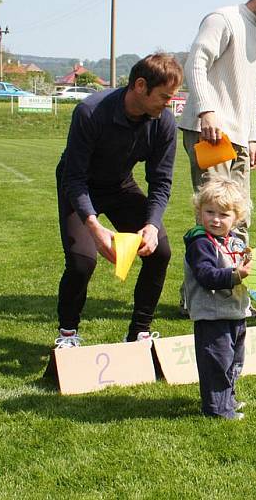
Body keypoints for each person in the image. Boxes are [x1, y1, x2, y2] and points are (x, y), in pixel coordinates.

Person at [179, 0, 256, 319]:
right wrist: (207, 111)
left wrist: (254, 135)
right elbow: (195, 64)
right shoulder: (223, 19)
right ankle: (195, 298)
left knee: (239, 219)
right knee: (211, 216)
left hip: (240, 137)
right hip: (211, 132)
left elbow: (250, 92)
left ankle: (238, 299)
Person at [54, 54, 183, 349]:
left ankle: (139, 332)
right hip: (78, 187)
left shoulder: (163, 122)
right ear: (140, 85)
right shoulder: (90, 111)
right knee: (82, 262)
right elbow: (74, 177)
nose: (169, 104)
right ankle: (68, 335)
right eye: (165, 96)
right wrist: (94, 227)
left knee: (159, 250)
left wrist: (151, 225)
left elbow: (161, 181)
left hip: (120, 185)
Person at [182, 178, 252, 419]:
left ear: (236, 217)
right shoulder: (200, 243)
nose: (215, 219)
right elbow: (206, 275)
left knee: (234, 361)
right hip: (212, 315)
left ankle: (227, 399)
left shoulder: (233, 241)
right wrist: (236, 275)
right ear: (199, 211)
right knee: (217, 363)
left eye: (223, 214)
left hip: (234, 311)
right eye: (209, 212)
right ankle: (217, 409)